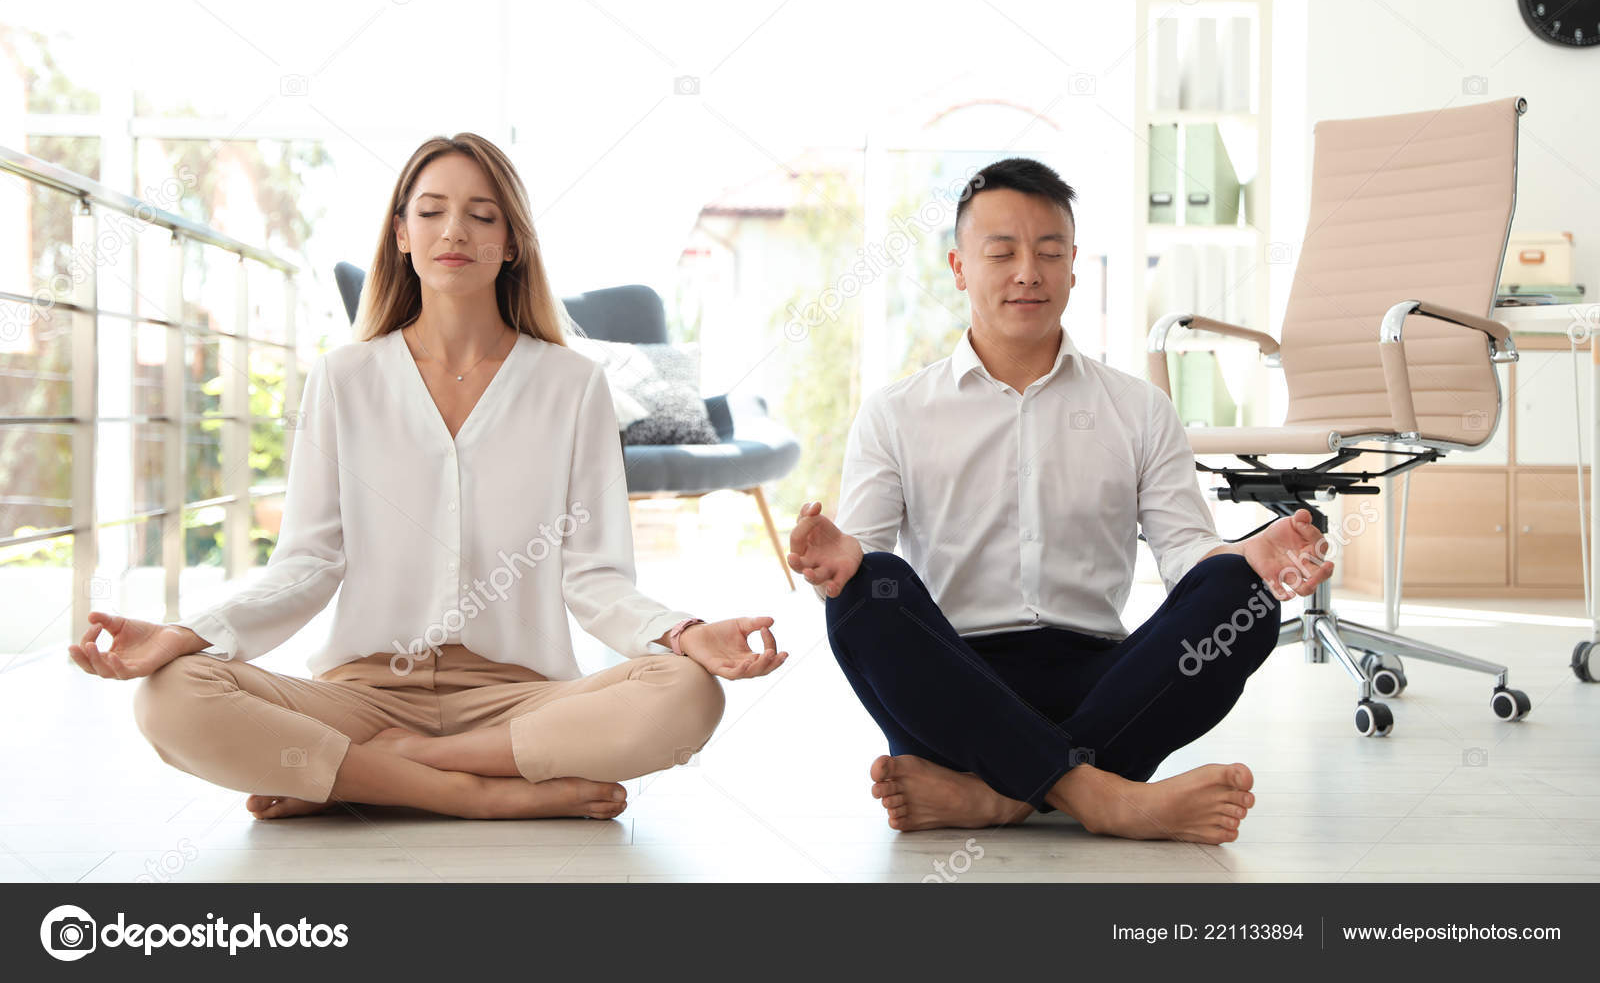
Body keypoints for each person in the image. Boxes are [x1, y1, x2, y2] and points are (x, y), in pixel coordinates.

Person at [71, 132, 787, 822]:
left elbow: (595, 577)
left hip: (520, 700)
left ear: (511, 244)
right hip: (364, 693)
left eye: (483, 215)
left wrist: (682, 632)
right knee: (169, 697)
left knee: (690, 696)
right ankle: (475, 793)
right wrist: (187, 634)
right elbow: (307, 565)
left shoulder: (573, 386)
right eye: (433, 210)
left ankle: (370, 776)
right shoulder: (345, 378)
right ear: (402, 233)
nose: (457, 231)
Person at [788, 157, 1330, 844]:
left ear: (1073, 266)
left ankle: (1001, 799)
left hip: (1107, 685)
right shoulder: (894, 412)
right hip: (953, 691)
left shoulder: (1137, 407)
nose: (1027, 272)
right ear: (959, 266)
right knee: (869, 587)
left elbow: (1189, 557)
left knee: (1241, 592)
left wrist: (1242, 554)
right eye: (1002, 252)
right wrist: (843, 559)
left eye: (1049, 252)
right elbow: (860, 579)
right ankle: (1107, 797)